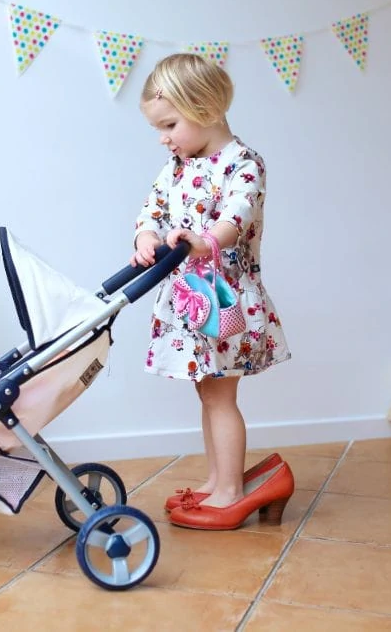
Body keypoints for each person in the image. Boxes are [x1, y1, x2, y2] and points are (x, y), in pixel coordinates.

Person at [130, 53, 294, 530]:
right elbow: (153, 208)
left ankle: (229, 490)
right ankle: (217, 477)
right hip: (189, 298)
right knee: (208, 394)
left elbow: (236, 216)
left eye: (169, 124)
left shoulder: (243, 163)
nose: (164, 138)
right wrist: (146, 236)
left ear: (205, 108)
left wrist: (205, 241)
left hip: (224, 300)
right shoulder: (177, 164)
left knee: (221, 397)